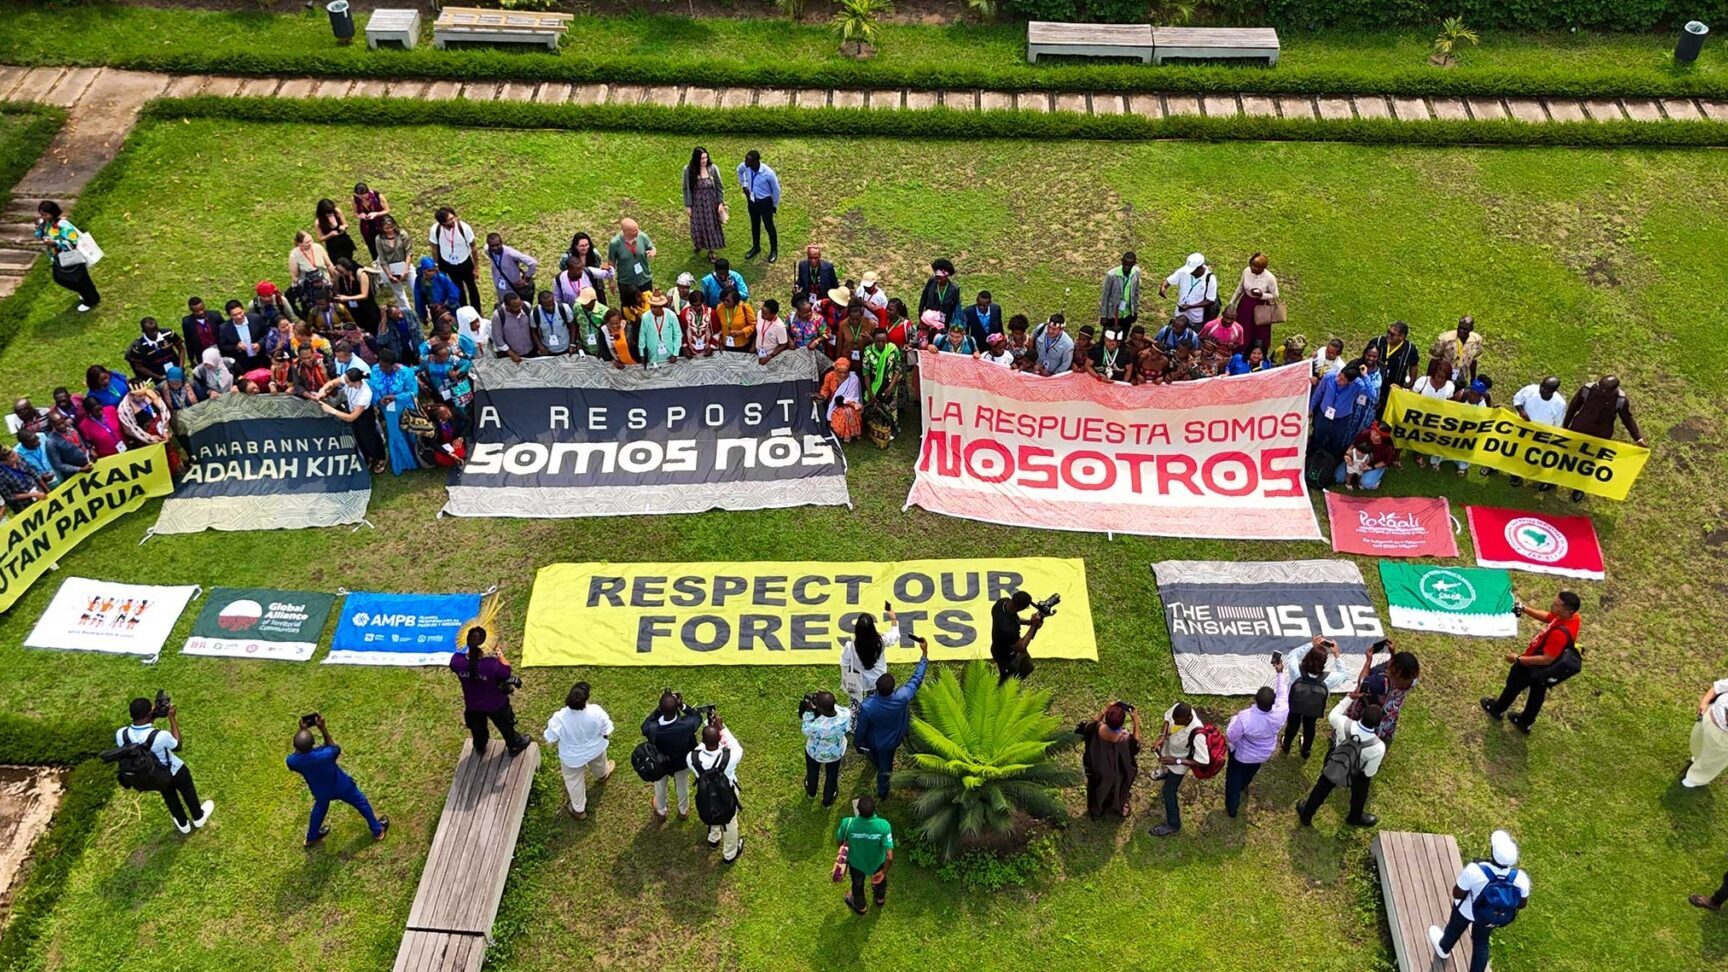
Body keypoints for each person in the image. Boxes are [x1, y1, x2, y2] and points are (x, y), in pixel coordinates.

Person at [1429, 830, 1530, 972]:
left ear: (1492, 853)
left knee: (1454, 929)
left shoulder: (1475, 870)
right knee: (1481, 944)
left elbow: (1457, 894)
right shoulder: (1520, 878)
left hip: (1464, 911)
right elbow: (1522, 904)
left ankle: (1443, 948)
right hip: (1489, 917)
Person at [1481, 591, 1581, 733]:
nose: (1552, 604)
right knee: (1537, 693)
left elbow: (1547, 659)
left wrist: (1519, 659)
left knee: (1513, 686)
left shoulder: (1559, 634)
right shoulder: (1574, 618)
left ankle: (1497, 709)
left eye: (1557, 605)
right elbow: (1549, 617)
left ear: (1568, 610)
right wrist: (1524, 609)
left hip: (1533, 665)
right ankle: (1525, 722)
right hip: (1546, 670)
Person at [115, 696, 213, 834]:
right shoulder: (160, 736)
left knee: (169, 796)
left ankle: (183, 824)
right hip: (175, 770)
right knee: (188, 791)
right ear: (149, 713)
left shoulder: (121, 734)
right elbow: (177, 745)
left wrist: (152, 716)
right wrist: (172, 718)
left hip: (155, 775)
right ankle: (198, 817)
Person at [286, 714, 389, 846]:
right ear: (313, 743)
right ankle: (377, 830)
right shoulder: (325, 754)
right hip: (341, 785)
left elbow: (298, 751)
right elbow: (334, 748)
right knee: (361, 802)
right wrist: (323, 728)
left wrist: (302, 731)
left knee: (319, 810)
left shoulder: (293, 762)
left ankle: (311, 838)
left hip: (321, 792)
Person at [854, 636, 930, 799]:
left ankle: (876, 768)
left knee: (878, 759)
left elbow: (861, 728)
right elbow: (916, 679)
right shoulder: (902, 697)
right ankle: (883, 792)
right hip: (891, 741)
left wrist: (858, 743)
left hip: (874, 740)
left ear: (876, 688)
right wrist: (924, 654)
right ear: (894, 688)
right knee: (885, 769)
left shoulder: (868, 706)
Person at [1551, 375, 1647, 502]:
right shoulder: (1588, 389)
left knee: (1588, 463)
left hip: (1600, 435)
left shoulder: (1620, 400)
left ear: (1612, 390)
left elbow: (1627, 419)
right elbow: (1574, 406)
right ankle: (1553, 481)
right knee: (1566, 455)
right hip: (1579, 429)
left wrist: (1638, 438)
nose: (1599, 388)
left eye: (1603, 389)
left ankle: (1579, 487)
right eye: (1599, 385)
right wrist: (1565, 425)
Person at [1294, 698, 1385, 828]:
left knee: (1322, 787)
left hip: (1336, 761)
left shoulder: (1343, 723)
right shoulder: (1378, 747)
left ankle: (1306, 814)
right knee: (1360, 792)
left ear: (1362, 714)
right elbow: (1369, 772)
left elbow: (1332, 715)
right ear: (1378, 724)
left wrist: (1350, 697)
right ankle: (1355, 816)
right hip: (1357, 772)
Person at [449, 621, 532, 756]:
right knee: (505, 726)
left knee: (478, 729)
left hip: (472, 705)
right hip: (496, 704)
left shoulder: (457, 661)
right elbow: (506, 671)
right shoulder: (492, 665)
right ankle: (514, 745)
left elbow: (459, 666)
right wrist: (499, 653)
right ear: (485, 646)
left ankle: (480, 747)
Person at [1225, 656, 1289, 818]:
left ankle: (1232, 808)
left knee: (1233, 779)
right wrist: (1280, 672)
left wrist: (1233, 720)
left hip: (1242, 755)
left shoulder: (1246, 717)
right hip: (1264, 753)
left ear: (1255, 700)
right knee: (1251, 772)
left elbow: (1232, 736)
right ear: (1273, 702)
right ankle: (1243, 785)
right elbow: (1283, 694)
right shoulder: (1281, 711)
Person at [544, 682, 614, 820]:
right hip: (596, 749)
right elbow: (607, 729)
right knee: (600, 763)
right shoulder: (596, 712)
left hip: (572, 758)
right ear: (586, 699)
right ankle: (603, 775)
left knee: (574, 781)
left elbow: (550, 738)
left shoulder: (559, 718)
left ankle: (579, 810)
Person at [1147, 701, 1209, 837]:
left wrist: (1177, 761)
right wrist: (1162, 737)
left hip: (1179, 764)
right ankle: (1165, 773)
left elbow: (1204, 761)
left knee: (1168, 792)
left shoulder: (1197, 733)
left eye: (1178, 721)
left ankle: (1173, 824)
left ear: (1188, 719)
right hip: (1169, 752)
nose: (1175, 722)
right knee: (1165, 765)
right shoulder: (1180, 709)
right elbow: (1167, 719)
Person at [689, 718, 745, 862]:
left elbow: (701, 746)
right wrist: (721, 727)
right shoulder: (731, 756)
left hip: (706, 794)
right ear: (720, 738)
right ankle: (729, 854)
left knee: (710, 812)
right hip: (728, 793)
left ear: (703, 740)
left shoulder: (692, 758)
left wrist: (709, 728)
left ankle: (713, 838)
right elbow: (735, 746)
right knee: (730, 822)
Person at [642, 691, 702, 821]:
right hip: (681, 762)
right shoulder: (687, 725)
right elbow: (697, 716)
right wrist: (682, 705)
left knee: (660, 786)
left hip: (659, 763)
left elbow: (646, 723)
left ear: (661, 709)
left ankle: (661, 811)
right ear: (676, 709)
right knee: (682, 786)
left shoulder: (651, 728)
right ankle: (683, 810)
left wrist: (659, 709)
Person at [314, 368, 387, 474]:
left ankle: (381, 458)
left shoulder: (365, 393)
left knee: (370, 437)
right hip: (352, 408)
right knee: (358, 437)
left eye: (348, 382)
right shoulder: (348, 378)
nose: (345, 383)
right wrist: (323, 390)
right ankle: (368, 457)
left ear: (356, 381)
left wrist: (332, 411)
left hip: (364, 415)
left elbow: (352, 417)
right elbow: (333, 383)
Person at [34, 200, 100, 311]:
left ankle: (91, 299)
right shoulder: (46, 224)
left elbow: (72, 242)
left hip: (71, 256)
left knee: (80, 278)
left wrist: (55, 243)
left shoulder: (63, 225)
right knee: (61, 278)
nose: (43, 217)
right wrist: (38, 229)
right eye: (41, 214)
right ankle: (86, 293)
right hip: (58, 257)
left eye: (45, 214)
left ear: (53, 213)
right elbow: (41, 235)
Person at [1082, 702, 1140, 820]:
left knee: (1096, 788)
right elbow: (1136, 744)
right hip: (1117, 771)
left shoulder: (1095, 728)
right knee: (1119, 787)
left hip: (1097, 767)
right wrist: (1136, 721)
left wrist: (1105, 709)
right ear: (1123, 722)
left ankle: (1096, 810)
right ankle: (1118, 805)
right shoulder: (1125, 739)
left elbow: (1091, 724)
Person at [836, 796, 894, 914]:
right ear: (874, 810)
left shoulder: (847, 823)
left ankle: (861, 906)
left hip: (857, 863)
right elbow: (890, 856)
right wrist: (883, 872)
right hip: (877, 862)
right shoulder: (883, 825)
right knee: (880, 880)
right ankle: (879, 899)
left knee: (857, 884)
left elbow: (840, 841)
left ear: (858, 809)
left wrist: (845, 855)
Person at [840, 610, 900, 722]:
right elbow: (895, 636)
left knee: (856, 703)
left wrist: (845, 678)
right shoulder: (881, 642)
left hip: (859, 681)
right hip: (878, 678)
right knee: (878, 701)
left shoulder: (850, 647)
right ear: (872, 628)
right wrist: (893, 619)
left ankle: (855, 723)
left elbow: (844, 662)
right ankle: (876, 719)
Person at [370, 349, 420, 474]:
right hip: (388, 409)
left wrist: (395, 397)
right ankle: (402, 462)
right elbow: (372, 387)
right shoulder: (375, 369)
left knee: (409, 432)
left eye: (386, 367)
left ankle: (417, 456)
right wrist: (378, 400)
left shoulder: (405, 373)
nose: (382, 369)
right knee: (395, 433)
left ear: (393, 364)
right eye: (381, 365)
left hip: (404, 406)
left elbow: (413, 392)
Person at [1309, 361, 1372, 459]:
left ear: (1350, 382)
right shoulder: (1329, 377)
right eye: (1339, 375)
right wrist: (1311, 408)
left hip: (1341, 419)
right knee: (1317, 437)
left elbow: (1373, 395)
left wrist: (1366, 376)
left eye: (1342, 380)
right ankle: (1312, 459)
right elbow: (1318, 393)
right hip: (1323, 415)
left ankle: (1327, 463)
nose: (1338, 379)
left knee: (1335, 443)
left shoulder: (1357, 384)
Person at [800, 691, 848, 807]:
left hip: (815, 753)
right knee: (832, 776)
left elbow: (805, 730)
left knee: (812, 772)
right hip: (835, 753)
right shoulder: (846, 714)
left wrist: (809, 711)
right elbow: (833, 707)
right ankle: (827, 801)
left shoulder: (817, 726)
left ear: (820, 710)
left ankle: (812, 792)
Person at [428, 206, 483, 309]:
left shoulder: (464, 228)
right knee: (458, 288)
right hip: (448, 262)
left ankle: (477, 310)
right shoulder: (435, 230)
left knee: (472, 287)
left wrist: (476, 267)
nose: (454, 221)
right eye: (450, 220)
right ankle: (464, 309)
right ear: (442, 223)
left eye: (454, 217)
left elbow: (474, 247)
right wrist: (436, 264)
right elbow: (434, 249)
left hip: (464, 261)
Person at [990, 591, 1044, 686]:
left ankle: (1010, 687)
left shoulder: (1002, 603)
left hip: (999, 648)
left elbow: (1014, 618)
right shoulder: (1008, 629)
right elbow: (1021, 647)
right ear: (1020, 607)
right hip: (1006, 656)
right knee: (1007, 680)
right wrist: (1033, 626)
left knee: (1027, 667)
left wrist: (1028, 622)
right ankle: (1003, 693)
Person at [1367, 321, 1420, 417]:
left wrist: (1411, 382)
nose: (1388, 335)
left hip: (1393, 389)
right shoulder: (1378, 342)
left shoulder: (1409, 350)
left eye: (1392, 334)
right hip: (1374, 386)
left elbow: (1414, 365)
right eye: (1388, 332)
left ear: (1402, 337)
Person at [682, 146, 727, 260]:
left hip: (711, 203)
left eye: (706, 158)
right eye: (702, 158)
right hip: (697, 204)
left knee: (711, 225)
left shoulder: (712, 168)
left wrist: (720, 202)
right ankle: (699, 244)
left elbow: (719, 186)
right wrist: (688, 205)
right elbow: (686, 188)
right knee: (698, 225)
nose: (704, 160)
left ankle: (711, 250)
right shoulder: (689, 170)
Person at [1231, 252, 1280, 350]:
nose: (1253, 268)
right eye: (1252, 265)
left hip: (1260, 307)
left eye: (1257, 267)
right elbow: (1240, 287)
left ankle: (1256, 351)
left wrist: (1262, 295)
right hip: (1246, 304)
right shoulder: (1246, 271)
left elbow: (1275, 295)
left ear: (1263, 268)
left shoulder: (1270, 278)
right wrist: (1232, 303)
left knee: (1259, 332)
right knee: (1243, 327)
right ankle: (1240, 349)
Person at [737, 149, 780, 261]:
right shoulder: (746, 166)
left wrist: (774, 205)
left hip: (765, 202)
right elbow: (739, 170)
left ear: (755, 161)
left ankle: (774, 250)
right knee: (754, 224)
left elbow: (776, 190)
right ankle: (756, 247)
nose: (745, 162)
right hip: (752, 201)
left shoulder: (768, 173)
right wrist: (744, 185)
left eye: (748, 160)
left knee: (769, 226)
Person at [862, 327, 903, 442]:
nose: (881, 343)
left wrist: (890, 388)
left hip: (890, 385)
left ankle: (894, 429)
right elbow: (866, 373)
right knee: (876, 409)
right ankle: (878, 429)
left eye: (883, 341)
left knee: (891, 409)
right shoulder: (868, 351)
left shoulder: (892, 349)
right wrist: (870, 392)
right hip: (874, 386)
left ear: (887, 340)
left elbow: (897, 369)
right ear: (873, 340)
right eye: (878, 341)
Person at [1336, 422, 1398, 490]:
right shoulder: (1365, 434)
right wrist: (1348, 456)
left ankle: (1371, 478)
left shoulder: (1387, 446)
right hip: (1355, 460)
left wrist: (1371, 467)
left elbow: (1386, 462)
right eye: (1373, 431)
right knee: (1338, 478)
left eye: (1376, 435)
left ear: (1382, 437)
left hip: (1373, 464)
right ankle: (1354, 476)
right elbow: (1353, 446)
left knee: (1366, 484)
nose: (1373, 435)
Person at [15, 427, 86, 486]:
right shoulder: (18, 453)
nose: (38, 441)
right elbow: (25, 473)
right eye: (33, 442)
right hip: (45, 485)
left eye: (36, 438)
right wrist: (41, 477)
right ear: (24, 443)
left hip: (61, 475)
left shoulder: (42, 436)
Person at [1160, 253, 1216, 328]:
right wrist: (1163, 287)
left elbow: (1210, 300)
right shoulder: (1184, 271)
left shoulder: (1210, 279)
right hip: (1180, 314)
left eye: (1193, 271)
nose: (1190, 272)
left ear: (1200, 267)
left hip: (1196, 318)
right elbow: (1169, 280)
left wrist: (1190, 306)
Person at [372, 214, 415, 312]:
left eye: (392, 227)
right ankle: (407, 312)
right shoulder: (379, 239)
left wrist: (406, 270)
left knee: (415, 288)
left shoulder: (402, 234)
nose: (390, 230)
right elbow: (382, 258)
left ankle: (422, 311)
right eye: (387, 228)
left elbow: (409, 252)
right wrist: (389, 275)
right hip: (391, 268)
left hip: (405, 265)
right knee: (399, 293)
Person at [126, 317, 185, 383]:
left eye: (156, 329)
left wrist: (180, 369)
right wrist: (158, 377)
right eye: (151, 331)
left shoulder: (168, 333)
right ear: (144, 331)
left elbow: (181, 349)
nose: (155, 333)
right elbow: (139, 367)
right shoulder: (138, 346)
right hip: (160, 378)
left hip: (177, 371)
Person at [484, 232, 537, 305]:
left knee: (515, 305)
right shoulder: (487, 250)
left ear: (502, 242)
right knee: (503, 304)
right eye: (492, 246)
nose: (495, 248)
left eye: (497, 245)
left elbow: (532, 263)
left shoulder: (511, 253)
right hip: (500, 285)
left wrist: (526, 279)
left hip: (513, 286)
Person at [818, 357, 863, 442]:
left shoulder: (853, 379)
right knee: (843, 413)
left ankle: (851, 434)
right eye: (840, 372)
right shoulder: (829, 376)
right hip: (834, 404)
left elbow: (853, 395)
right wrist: (823, 396)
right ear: (835, 371)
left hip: (850, 404)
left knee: (849, 412)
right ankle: (842, 433)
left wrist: (846, 403)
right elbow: (825, 389)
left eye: (845, 372)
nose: (843, 375)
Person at [219, 299, 270, 374]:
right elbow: (223, 346)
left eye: (240, 313)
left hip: (261, 358)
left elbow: (268, 334)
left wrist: (260, 344)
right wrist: (236, 346)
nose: (239, 316)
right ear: (229, 315)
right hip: (243, 364)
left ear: (243, 310)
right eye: (235, 315)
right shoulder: (224, 328)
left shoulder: (256, 319)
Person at [607, 218, 657, 293]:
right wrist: (611, 281)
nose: (638, 231)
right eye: (634, 230)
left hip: (644, 279)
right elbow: (611, 263)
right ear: (625, 232)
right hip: (626, 282)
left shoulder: (642, 237)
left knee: (647, 302)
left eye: (637, 228)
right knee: (629, 304)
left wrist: (653, 251)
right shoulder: (615, 243)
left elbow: (652, 247)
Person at [1432, 315, 1484, 384]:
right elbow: (1434, 359)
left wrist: (1473, 379)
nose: (1461, 331)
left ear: (1471, 329)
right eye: (1460, 327)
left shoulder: (1476, 341)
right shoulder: (1446, 339)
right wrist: (1429, 379)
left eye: (1465, 329)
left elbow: (1474, 361)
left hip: (1461, 377)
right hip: (1444, 377)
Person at [1099, 252, 1142, 330]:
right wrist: (1103, 315)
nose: (1127, 266)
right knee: (1109, 336)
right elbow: (1105, 296)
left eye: (1130, 264)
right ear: (1122, 261)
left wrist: (1135, 311)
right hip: (1113, 313)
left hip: (1128, 313)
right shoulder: (1112, 275)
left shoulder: (1136, 272)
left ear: (1134, 263)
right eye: (1125, 263)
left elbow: (1136, 292)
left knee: (1123, 336)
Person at [639, 292, 683, 369]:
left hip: (670, 353)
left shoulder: (671, 315)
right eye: (651, 306)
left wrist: (675, 353)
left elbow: (678, 334)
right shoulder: (645, 317)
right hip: (652, 354)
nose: (652, 309)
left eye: (655, 307)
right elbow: (642, 336)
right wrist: (642, 354)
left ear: (661, 307)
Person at [490, 290, 536, 363]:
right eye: (515, 307)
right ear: (507, 306)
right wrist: (512, 354)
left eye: (520, 304)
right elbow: (498, 339)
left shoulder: (527, 307)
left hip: (531, 351)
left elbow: (533, 327)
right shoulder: (498, 316)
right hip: (512, 356)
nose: (519, 308)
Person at [413, 255, 461, 323]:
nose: (432, 273)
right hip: (434, 309)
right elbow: (419, 299)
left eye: (433, 270)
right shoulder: (420, 281)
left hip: (448, 307)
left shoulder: (441, 278)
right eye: (429, 271)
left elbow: (453, 292)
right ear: (423, 271)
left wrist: (445, 304)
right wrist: (422, 316)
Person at [352, 182, 390, 258]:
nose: (362, 199)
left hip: (380, 222)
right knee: (373, 246)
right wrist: (360, 215)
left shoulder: (377, 196)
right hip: (367, 226)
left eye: (364, 196)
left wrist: (376, 214)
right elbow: (355, 212)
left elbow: (387, 210)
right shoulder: (354, 199)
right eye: (360, 197)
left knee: (385, 245)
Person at [181, 296, 225, 362]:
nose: (201, 312)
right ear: (192, 311)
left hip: (220, 350)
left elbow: (225, 331)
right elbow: (188, 341)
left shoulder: (215, 316)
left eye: (202, 309)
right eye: (197, 311)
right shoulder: (187, 323)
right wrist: (191, 359)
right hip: (203, 354)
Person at [918, 258, 961, 325]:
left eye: (941, 277)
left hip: (944, 320)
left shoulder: (954, 289)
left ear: (947, 276)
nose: (938, 280)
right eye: (937, 277)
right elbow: (924, 298)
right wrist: (920, 315)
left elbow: (955, 307)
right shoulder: (932, 281)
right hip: (929, 318)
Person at [713, 288, 756, 354]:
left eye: (728, 300)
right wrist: (720, 342)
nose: (725, 302)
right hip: (726, 345)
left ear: (735, 300)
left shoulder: (744, 307)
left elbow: (753, 325)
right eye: (723, 300)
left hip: (742, 346)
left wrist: (741, 332)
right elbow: (718, 327)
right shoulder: (719, 308)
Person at [314, 198, 356, 265]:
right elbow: (320, 238)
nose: (331, 215)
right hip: (333, 247)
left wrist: (343, 227)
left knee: (349, 262)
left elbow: (346, 224)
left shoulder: (337, 212)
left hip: (344, 242)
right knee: (338, 264)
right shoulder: (318, 222)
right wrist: (330, 235)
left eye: (331, 213)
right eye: (328, 213)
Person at [755, 297, 788, 364]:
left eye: (765, 314)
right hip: (758, 351)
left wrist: (770, 356)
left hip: (770, 356)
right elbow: (759, 332)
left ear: (773, 314)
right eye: (762, 311)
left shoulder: (779, 326)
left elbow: (783, 344)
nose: (762, 315)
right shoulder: (759, 314)